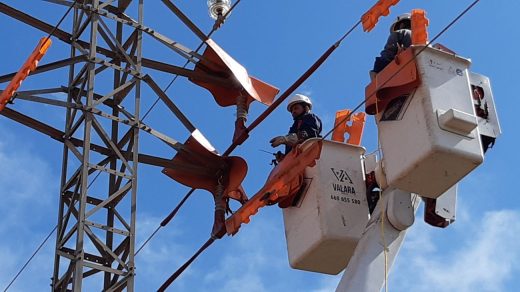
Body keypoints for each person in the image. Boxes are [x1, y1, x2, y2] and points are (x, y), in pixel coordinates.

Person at [371, 13, 412, 78]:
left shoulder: (400, 32)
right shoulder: (422, 39)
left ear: (401, 25)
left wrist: (376, 71)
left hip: (403, 68)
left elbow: (388, 53)